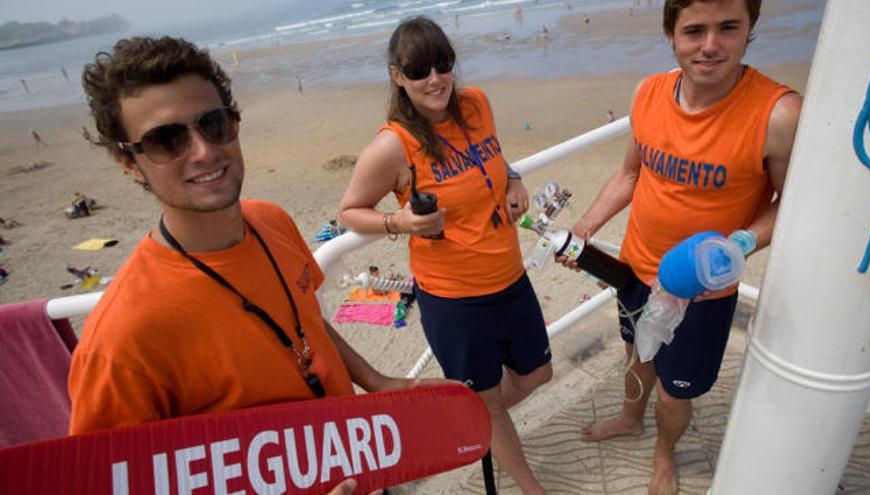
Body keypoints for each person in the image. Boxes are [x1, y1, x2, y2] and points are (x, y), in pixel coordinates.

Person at [70, 36, 433, 495]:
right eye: (167, 140)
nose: (203, 151)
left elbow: (306, 320)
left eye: (213, 124)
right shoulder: (121, 341)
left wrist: (376, 381)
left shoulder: (272, 221)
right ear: (129, 162)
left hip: (353, 468)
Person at [560, 1, 802, 494]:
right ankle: (630, 416)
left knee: (674, 392)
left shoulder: (778, 112)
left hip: (703, 294)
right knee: (635, 353)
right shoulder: (648, 92)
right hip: (634, 270)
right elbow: (630, 173)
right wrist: (584, 226)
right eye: (694, 31)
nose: (710, 46)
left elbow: (791, 202)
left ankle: (664, 455)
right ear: (671, 34)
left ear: (750, 28)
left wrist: (740, 243)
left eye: (727, 28)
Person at [338, 17, 552, 495]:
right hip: (454, 298)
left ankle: (469, 421)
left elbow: (491, 155)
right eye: (418, 70)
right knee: (490, 402)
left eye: (442, 64)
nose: (434, 79)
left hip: (509, 276)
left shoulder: (476, 104)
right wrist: (401, 223)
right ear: (397, 75)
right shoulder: (393, 146)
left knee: (539, 372)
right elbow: (350, 211)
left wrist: (513, 178)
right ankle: (530, 485)